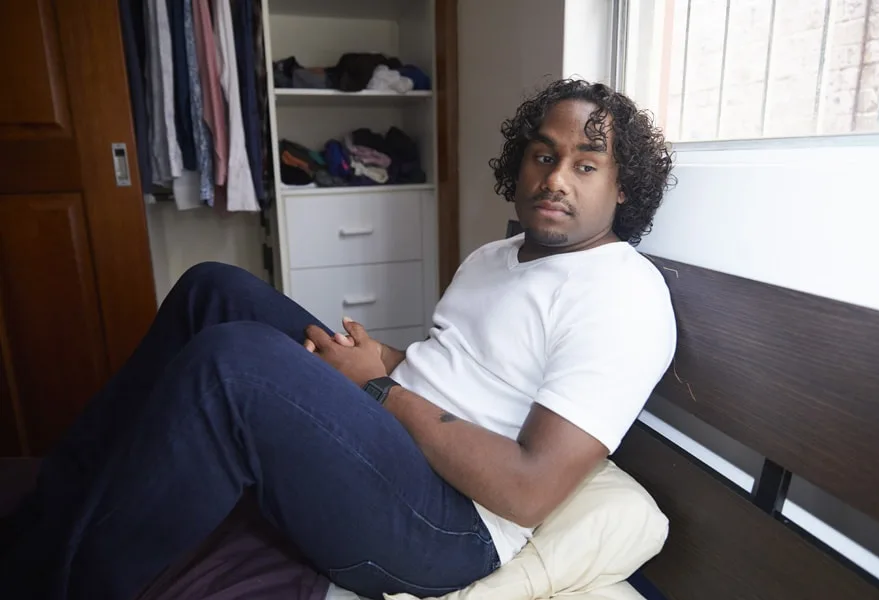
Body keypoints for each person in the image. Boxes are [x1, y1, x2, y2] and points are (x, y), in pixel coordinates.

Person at [0, 79, 676, 600]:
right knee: (213, 289)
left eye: (587, 165)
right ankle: (51, 512)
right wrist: (381, 361)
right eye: (543, 155)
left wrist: (378, 389)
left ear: (623, 189)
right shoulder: (498, 258)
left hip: (450, 527)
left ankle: (63, 585)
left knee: (233, 368)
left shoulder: (624, 294)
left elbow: (528, 490)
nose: (556, 177)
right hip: (402, 446)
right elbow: (462, 374)